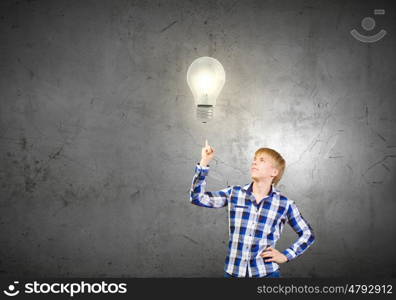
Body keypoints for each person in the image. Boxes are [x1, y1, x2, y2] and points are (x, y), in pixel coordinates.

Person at [189, 140, 316, 278]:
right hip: (233, 273)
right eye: (254, 159)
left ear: (274, 172)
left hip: (266, 274)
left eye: (261, 160)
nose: (254, 162)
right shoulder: (234, 193)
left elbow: (307, 234)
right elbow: (197, 198)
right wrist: (204, 162)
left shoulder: (285, 204)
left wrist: (286, 256)